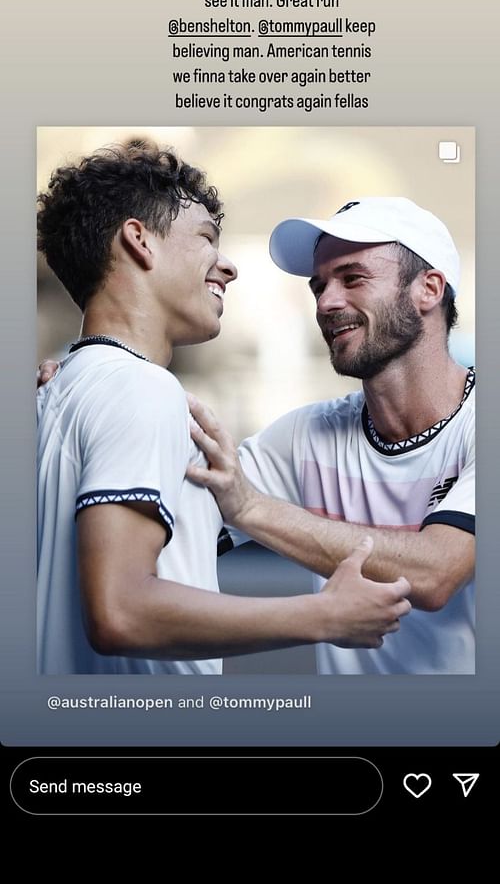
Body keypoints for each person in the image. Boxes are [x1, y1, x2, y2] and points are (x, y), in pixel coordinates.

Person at [37, 145, 411, 674]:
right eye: (207, 239)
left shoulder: (52, 393)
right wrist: (323, 616)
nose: (228, 265)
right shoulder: (139, 388)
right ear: (138, 239)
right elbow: (119, 613)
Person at [187, 197, 475, 674]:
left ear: (428, 289)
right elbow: (169, 509)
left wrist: (253, 508)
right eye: (319, 285)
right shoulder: (306, 435)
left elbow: (435, 574)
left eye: (353, 278)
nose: (326, 303)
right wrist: (82, 392)